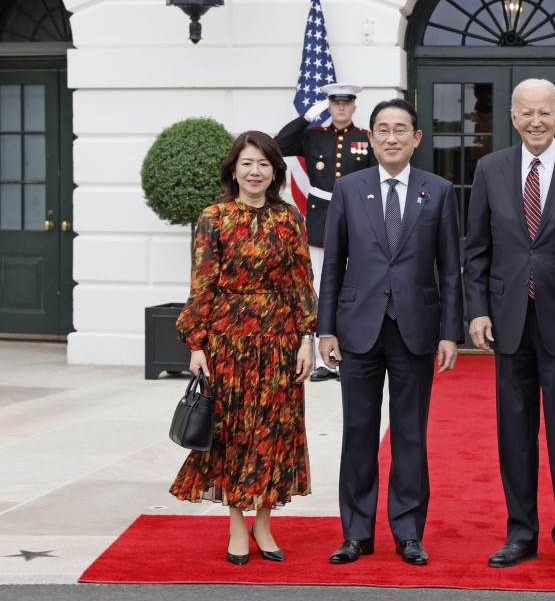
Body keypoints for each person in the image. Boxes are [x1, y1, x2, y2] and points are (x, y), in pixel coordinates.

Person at [463, 78, 555, 573]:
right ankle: (521, 533)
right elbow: (477, 250)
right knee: (515, 434)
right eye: (526, 113)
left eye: (544, 112)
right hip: (509, 322)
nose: (535, 122)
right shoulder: (489, 169)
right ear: (512, 117)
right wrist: (478, 309)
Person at [318, 98, 463, 567]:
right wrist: (325, 329)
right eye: (382, 129)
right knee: (358, 433)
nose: (392, 137)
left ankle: (408, 533)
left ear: (416, 138)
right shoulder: (348, 188)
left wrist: (449, 332)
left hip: (415, 330)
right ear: (371, 137)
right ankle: (356, 533)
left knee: (410, 436)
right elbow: (332, 267)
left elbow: (450, 269)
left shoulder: (438, 191)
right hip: (357, 329)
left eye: (401, 129)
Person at [170, 131, 317, 566]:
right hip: (227, 342)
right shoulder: (214, 217)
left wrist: (306, 338)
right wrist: (196, 343)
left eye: (264, 164)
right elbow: (202, 284)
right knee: (233, 434)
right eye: (247, 163)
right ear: (233, 169)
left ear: (275, 172)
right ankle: (237, 523)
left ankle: (264, 523)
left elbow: (301, 282)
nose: (255, 172)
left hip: (280, 341)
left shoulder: (289, 218)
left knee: (275, 432)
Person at [276, 82, 377, 381]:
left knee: (354, 288)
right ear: (329, 106)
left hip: (357, 218)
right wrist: (307, 117)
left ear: (354, 107)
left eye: (347, 103)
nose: (342, 108)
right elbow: (280, 144)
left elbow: (373, 178)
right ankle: (323, 359)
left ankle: (349, 355)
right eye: (336, 103)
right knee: (320, 287)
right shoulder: (312, 137)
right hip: (321, 220)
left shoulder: (365, 138)